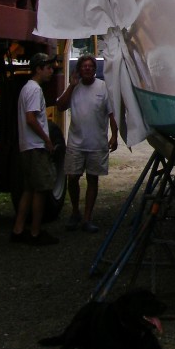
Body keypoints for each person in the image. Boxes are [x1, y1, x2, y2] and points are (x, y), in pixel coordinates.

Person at [56, 53, 118, 233]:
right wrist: (71, 85)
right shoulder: (74, 87)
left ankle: (87, 218)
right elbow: (60, 106)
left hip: (97, 144)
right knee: (72, 178)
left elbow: (112, 114)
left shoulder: (103, 87)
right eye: (84, 66)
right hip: (75, 143)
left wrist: (114, 136)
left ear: (95, 69)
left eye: (91, 66)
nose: (88, 69)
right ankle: (75, 211)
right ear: (79, 70)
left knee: (92, 179)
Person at [11, 52, 60, 246]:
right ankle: (35, 232)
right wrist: (47, 140)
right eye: (48, 68)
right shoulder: (35, 90)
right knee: (41, 190)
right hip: (36, 147)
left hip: (27, 147)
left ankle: (18, 229)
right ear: (38, 69)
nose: (51, 71)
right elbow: (31, 118)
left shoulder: (26, 88)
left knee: (28, 189)